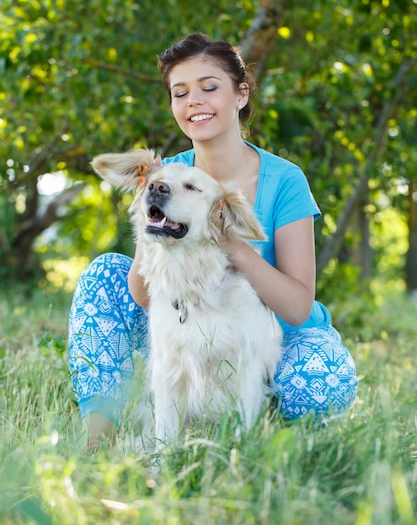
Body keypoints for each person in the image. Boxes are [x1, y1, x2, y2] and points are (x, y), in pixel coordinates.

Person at [68, 33, 358, 447]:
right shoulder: (166, 177)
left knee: (320, 382)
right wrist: (152, 226)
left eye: (209, 88)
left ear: (240, 95)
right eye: (180, 93)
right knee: (103, 276)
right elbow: (143, 296)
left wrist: (232, 244)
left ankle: (274, 441)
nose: (193, 102)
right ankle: (98, 445)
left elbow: (297, 308)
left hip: (279, 338)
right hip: (187, 329)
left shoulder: (285, 181)